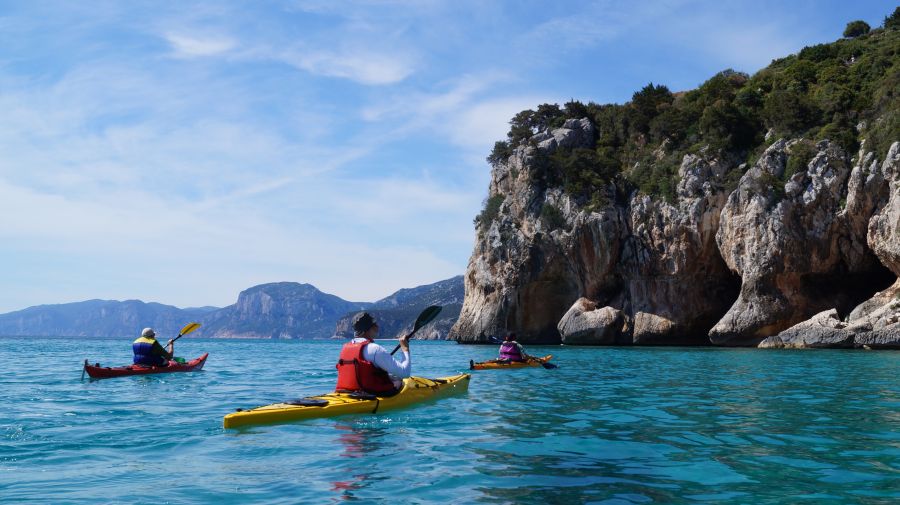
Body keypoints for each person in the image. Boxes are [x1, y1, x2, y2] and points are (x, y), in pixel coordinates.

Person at [335, 312, 411, 395]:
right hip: (369, 393)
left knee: (390, 377)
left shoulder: (345, 348)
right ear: (369, 328)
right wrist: (405, 349)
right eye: (374, 325)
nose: (377, 327)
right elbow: (405, 373)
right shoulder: (375, 349)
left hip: (345, 392)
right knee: (399, 380)